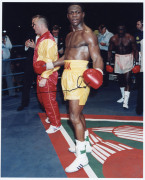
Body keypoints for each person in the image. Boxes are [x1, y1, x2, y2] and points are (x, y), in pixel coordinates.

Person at [44, 3, 103, 172]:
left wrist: (98, 72)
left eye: (77, 12)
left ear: (83, 14)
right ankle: (86, 143)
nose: (74, 15)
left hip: (80, 77)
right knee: (79, 113)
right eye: (71, 13)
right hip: (67, 76)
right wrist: (49, 65)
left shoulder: (88, 34)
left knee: (73, 117)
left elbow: (97, 57)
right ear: (68, 16)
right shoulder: (69, 35)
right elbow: (66, 57)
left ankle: (82, 157)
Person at [32, 15, 61, 133]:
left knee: (49, 100)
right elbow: (41, 55)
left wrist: (44, 77)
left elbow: (50, 61)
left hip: (48, 75)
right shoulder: (41, 38)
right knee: (42, 99)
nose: (32, 27)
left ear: (40, 25)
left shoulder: (48, 40)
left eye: (33, 24)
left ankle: (56, 124)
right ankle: (52, 116)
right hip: (41, 73)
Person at [107, 23, 139, 109]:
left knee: (127, 80)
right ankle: (123, 96)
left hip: (128, 58)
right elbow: (109, 50)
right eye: (119, 29)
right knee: (120, 80)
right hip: (118, 58)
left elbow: (136, 50)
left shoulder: (130, 38)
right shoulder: (113, 38)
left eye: (122, 29)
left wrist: (137, 62)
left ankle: (126, 102)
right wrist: (108, 62)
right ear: (117, 30)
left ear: (125, 29)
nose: (121, 31)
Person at [17, 35, 38, 111]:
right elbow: (24, 51)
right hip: (29, 64)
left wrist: (35, 47)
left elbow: (46, 52)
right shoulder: (31, 36)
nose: (34, 26)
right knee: (26, 84)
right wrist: (26, 46)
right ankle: (24, 103)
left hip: (40, 64)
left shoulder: (45, 38)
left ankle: (43, 104)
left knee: (40, 85)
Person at [2, 31, 16, 97]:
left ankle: (12, 93)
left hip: (7, 59)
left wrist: (4, 42)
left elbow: (10, 46)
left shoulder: (6, 37)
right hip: (1, 60)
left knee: (9, 77)